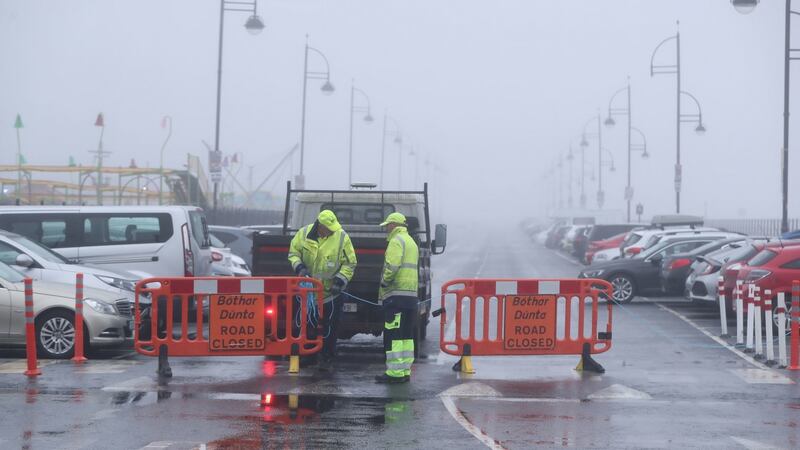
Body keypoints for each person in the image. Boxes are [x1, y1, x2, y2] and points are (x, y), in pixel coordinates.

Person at [288, 210, 357, 370]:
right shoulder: (303, 233)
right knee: (307, 324)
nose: (332, 231)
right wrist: (299, 267)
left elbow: (350, 263)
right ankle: (308, 355)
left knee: (330, 326)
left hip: (331, 294)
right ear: (320, 226)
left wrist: (339, 281)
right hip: (308, 293)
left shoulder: (341, 237)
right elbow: (293, 253)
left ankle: (327, 355)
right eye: (328, 228)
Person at [374, 212, 419, 384]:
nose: (386, 228)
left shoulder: (396, 241)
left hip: (395, 296)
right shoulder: (411, 242)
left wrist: (385, 282)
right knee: (406, 336)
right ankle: (404, 370)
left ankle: (394, 372)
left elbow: (392, 266)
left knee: (393, 335)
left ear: (394, 225)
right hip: (410, 297)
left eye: (387, 225)